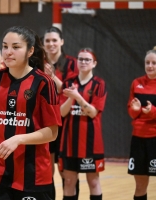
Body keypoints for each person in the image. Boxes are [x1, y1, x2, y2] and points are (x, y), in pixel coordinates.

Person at [0, 25, 62, 200]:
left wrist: (18, 139)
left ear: (30, 51)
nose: (8, 52)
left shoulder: (43, 83)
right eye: (5, 46)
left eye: (16, 47)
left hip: (33, 175)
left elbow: (52, 132)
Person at [59, 48, 107, 200]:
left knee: (93, 182)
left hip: (91, 143)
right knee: (68, 181)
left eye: (87, 60)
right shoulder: (68, 82)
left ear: (94, 63)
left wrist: (78, 97)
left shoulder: (99, 84)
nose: (83, 62)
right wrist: (71, 98)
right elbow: (61, 112)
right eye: (80, 59)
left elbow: (93, 112)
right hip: (69, 142)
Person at [42, 26, 79, 199]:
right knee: (47, 170)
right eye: (47, 40)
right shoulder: (37, 63)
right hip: (45, 122)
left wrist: (53, 77)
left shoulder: (71, 63)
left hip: (68, 122)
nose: (51, 44)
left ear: (61, 42)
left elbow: (69, 91)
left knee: (66, 172)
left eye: (54, 40)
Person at [127, 47, 156, 200]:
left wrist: (151, 111)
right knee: (140, 184)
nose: (150, 66)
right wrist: (136, 110)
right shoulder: (136, 83)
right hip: (138, 139)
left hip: (155, 138)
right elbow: (131, 112)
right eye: (147, 62)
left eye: (154, 63)